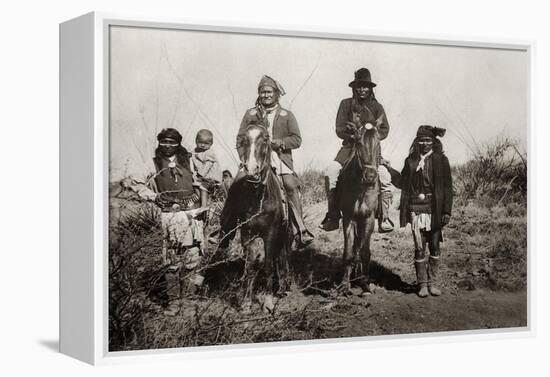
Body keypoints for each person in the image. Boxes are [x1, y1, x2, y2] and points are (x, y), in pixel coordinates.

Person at [122, 128, 208, 313]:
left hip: (192, 215)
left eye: (172, 142)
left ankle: (188, 302)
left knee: (192, 258)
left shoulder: (189, 160)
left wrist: (203, 201)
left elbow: (205, 180)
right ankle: (173, 302)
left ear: (178, 144)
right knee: (172, 260)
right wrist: (153, 197)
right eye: (164, 142)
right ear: (159, 143)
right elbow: (134, 182)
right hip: (170, 215)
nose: (168, 146)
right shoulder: (152, 163)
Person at [235, 75, 314, 247]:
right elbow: (241, 138)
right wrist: (244, 157)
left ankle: (300, 229)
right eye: (262, 92)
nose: (266, 95)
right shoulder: (251, 114)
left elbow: (297, 139)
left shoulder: (286, 115)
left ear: (276, 94)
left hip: (279, 157)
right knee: (236, 183)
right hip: (254, 157)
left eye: (269, 92)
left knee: (290, 185)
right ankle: (226, 229)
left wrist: (282, 143)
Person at [320, 67, 395, 233]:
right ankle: (333, 216)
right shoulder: (345, 104)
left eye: (366, 86)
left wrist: (370, 133)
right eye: (359, 86)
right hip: (348, 149)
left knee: (384, 176)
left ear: (370, 88)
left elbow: (385, 129)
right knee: (331, 172)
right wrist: (351, 132)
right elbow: (339, 129)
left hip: (370, 151)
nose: (362, 89)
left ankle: (385, 217)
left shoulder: (377, 107)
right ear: (354, 88)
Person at [398, 125, 453, 298]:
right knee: (419, 247)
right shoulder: (411, 160)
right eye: (421, 140)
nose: (424, 143)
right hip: (416, 208)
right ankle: (422, 285)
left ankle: (433, 283)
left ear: (433, 142)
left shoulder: (441, 160)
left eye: (428, 140)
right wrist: (387, 168)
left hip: (435, 209)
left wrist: (447, 211)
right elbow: (402, 182)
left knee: (435, 245)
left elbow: (447, 188)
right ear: (417, 141)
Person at [191, 129, 222, 207]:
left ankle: (203, 206)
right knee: (195, 186)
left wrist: (201, 174)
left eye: (206, 143)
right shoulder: (195, 151)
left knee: (203, 187)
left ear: (211, 144)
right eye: (200, 142)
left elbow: (207, 165)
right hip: (201, 175)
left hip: (211, 176)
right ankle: (198, 202)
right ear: (196, 141)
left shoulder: (209, 153)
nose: (203, 145)